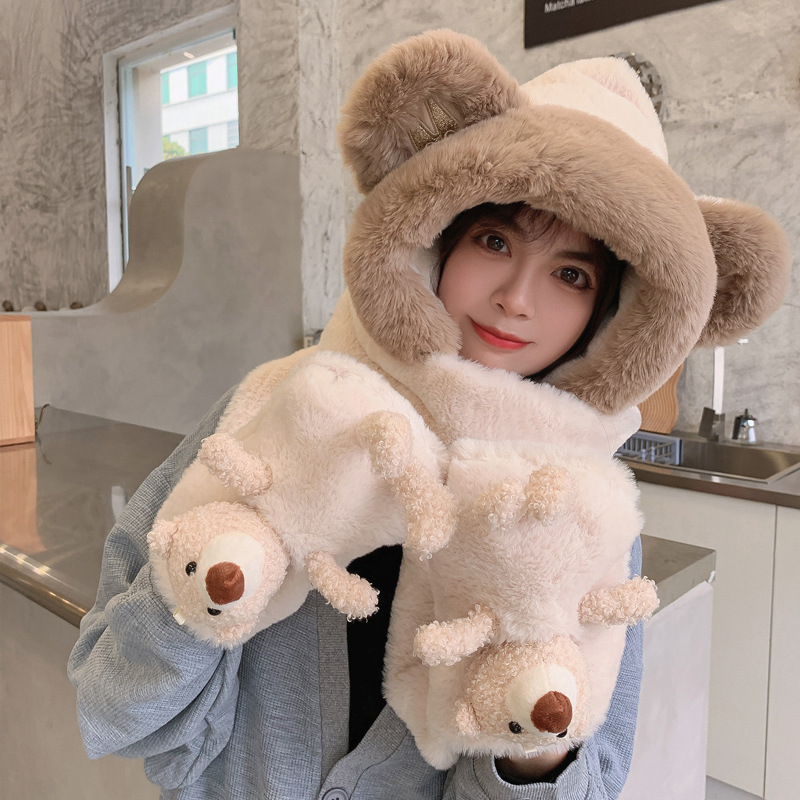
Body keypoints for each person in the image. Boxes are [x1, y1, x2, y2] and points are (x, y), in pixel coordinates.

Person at [68, 30, 789, 800]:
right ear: (439, 234)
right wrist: (212, 583)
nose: (517, 298)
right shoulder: (285, 403)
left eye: (571, 275)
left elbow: (592, 776)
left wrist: (530, 734)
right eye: (494, 240)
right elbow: (112, 701)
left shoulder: (578, 510)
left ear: (610, 315)